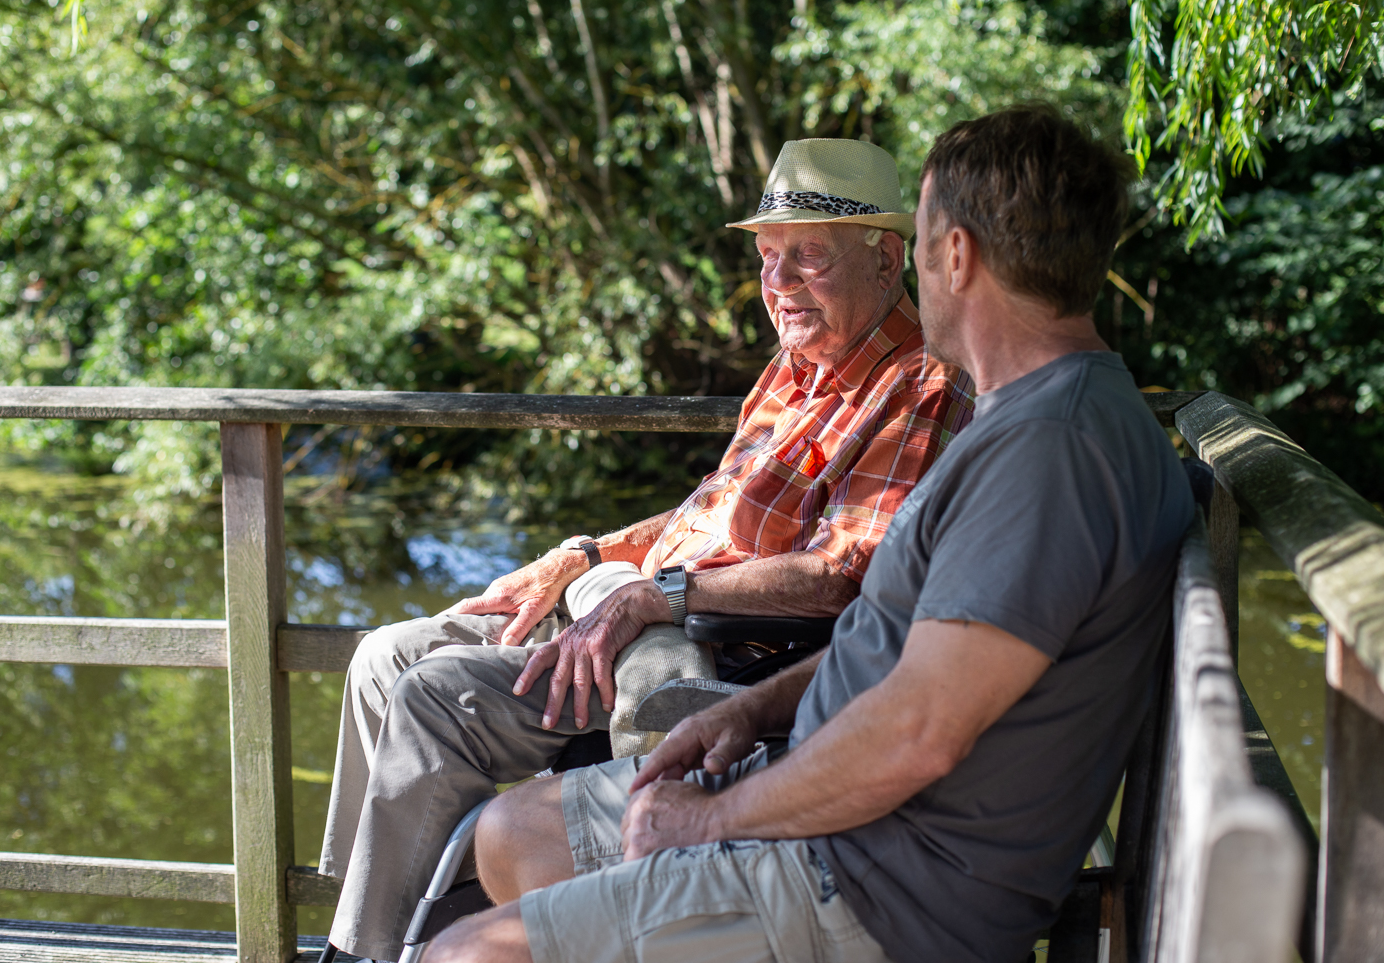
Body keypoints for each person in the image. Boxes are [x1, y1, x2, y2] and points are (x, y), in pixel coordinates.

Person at [432, 105, 1197, 963]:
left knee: (466, 954)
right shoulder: (1048, 417)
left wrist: (710, 819)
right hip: (846, 812)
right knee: (511, 833)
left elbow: (920, 731)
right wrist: (757, 706)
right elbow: (910, 656)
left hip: (879, 882)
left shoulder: (1049, 453)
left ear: (955, 255)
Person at [318, 138, 974, 962]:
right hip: (638, 602)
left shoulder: (918, 382)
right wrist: (586, 556)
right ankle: (392, 913)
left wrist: (657, 595)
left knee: (436, 698)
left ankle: (367, 952)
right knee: (382, 658)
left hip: (712, 654)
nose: (779, 281)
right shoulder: (795, 365)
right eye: (769, 257)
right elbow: (709, 511)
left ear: (886, 260)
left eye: (808, 255)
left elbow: (845, 575)